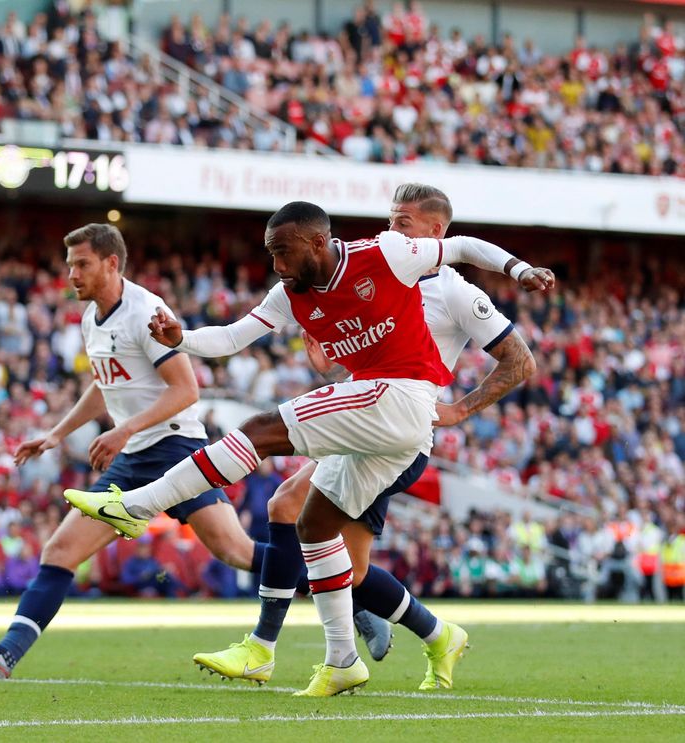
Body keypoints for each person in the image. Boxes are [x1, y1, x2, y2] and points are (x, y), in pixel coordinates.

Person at [65, 202, 554, 696]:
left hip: (400, 396)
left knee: (260, 429)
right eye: (271, 254)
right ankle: (343, 658)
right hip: (383, 418)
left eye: (284, 252)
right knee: (312, 524)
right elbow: (235, 337)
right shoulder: (290, 293)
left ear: (317, 242)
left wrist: (520, 270)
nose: (277, 265)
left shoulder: (386, 255)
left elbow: (466, 249)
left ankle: (136, 506)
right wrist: (183, 339)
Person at [194, 184, 539, 691]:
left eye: (403, 223)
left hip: (396, 432)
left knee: (328, 551)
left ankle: (398, 633)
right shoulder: (372, 268)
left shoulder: (454, 292)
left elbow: (521, 361)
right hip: (361, 413)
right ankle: (412, 634)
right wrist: (326, 357)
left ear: (436, 233)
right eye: (390, 219)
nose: (391, 230)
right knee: (292, 513)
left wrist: (461, 410)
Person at [0, 223, 260, 679]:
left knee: (237, 551)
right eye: (70, 264)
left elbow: (186, 390)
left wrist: (122, 430)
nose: (72, 274)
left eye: (82, 264)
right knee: (60, 551)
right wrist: (57, 432)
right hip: (133, 458)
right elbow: (104, 383)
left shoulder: (147, 312)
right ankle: (3, 656)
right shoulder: (92, 317)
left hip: (175, 448)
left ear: (112, 264)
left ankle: (349, 595)